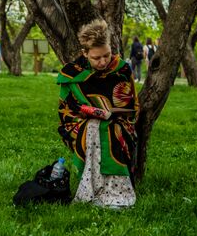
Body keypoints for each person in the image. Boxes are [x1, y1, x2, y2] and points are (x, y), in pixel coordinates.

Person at [57, 19, 138, 208]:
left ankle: (117, 192)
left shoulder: (122, 70)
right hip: (81, 123)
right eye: (96, 58)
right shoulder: (73, 74)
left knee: (107, 130)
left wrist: (109, 113)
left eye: (106, 55)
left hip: (120, 122)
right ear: (85, 53)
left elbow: (130, 106)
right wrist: (88, 112)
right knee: (94, 127)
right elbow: (67, 109)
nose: (103, 62)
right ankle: (91, 189)